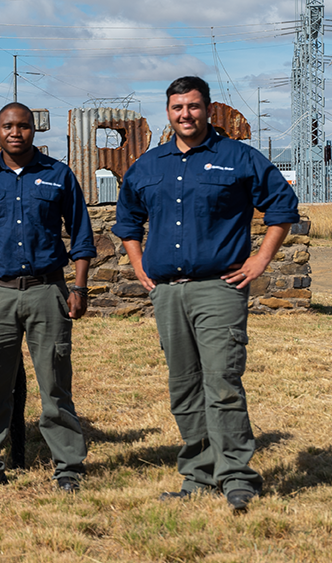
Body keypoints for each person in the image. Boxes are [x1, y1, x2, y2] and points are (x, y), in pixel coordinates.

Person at [113, 76, 299, 511]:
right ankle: (198, 475)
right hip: (168, 294)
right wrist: (139, 265)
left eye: (193, 107)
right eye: (178, 107)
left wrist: (259, 262)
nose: (186, 115)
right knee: (184, 387)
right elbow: (127, 220)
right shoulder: (149, 164)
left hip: (219, 289)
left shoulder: (238, 158)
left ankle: (236, 477)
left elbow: (282, 208)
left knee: (223, 383)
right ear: (168, 111)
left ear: (208, 108)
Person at [0, 102, 93, 493]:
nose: (15, 132)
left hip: (47, 291)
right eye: (7, 126)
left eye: (23, 126)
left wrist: (79, 287)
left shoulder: (58, 175)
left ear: (35, 130)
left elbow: (81, 237)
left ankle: (67, 467)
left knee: (54, 384)